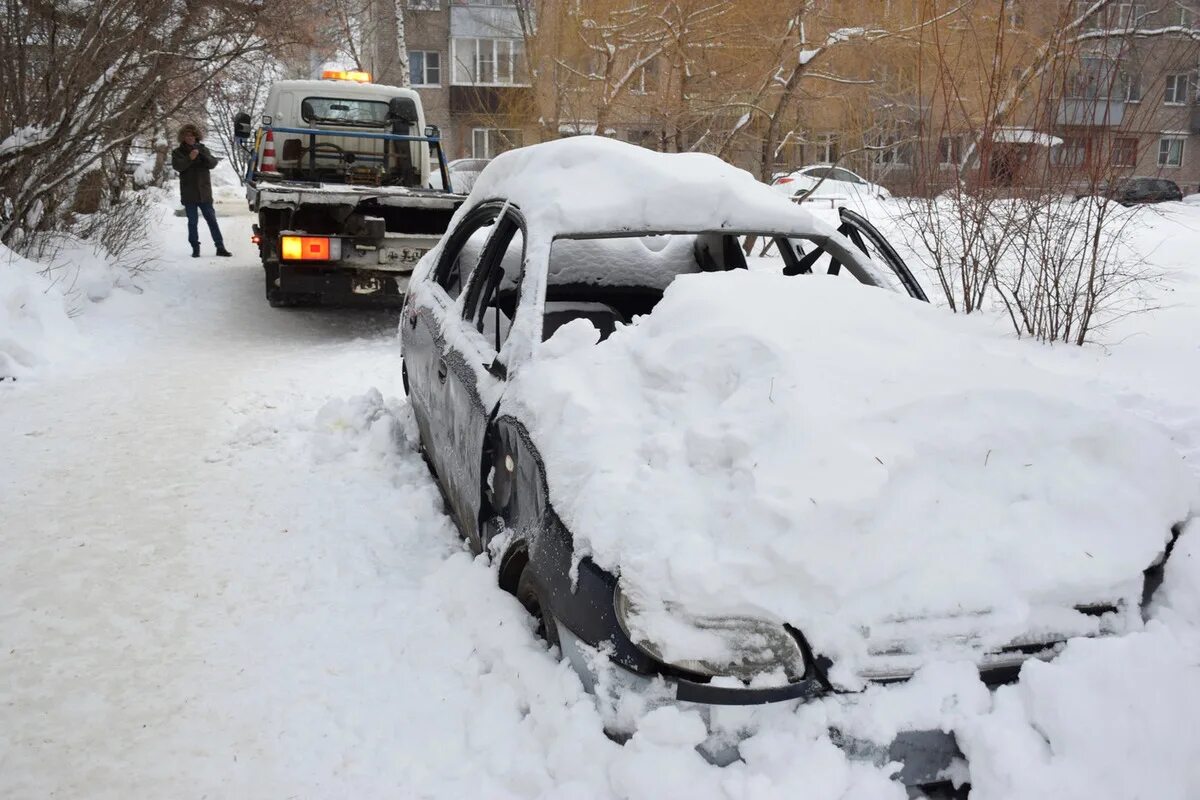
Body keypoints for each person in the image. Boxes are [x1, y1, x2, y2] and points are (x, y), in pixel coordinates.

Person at [171, 124, 232, 258]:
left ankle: (220, 247)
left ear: (196, 136)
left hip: (204, 193)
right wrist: (189, 158)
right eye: (187, 135)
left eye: (192, 135)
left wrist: (202, 155)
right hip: (189, 193)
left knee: (212, 220)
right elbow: (178, 166)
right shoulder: (178, 152)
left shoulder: (203, 149)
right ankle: (195, 248)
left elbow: (213, 163)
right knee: (192, 222)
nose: (190, 138)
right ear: (183, 137)